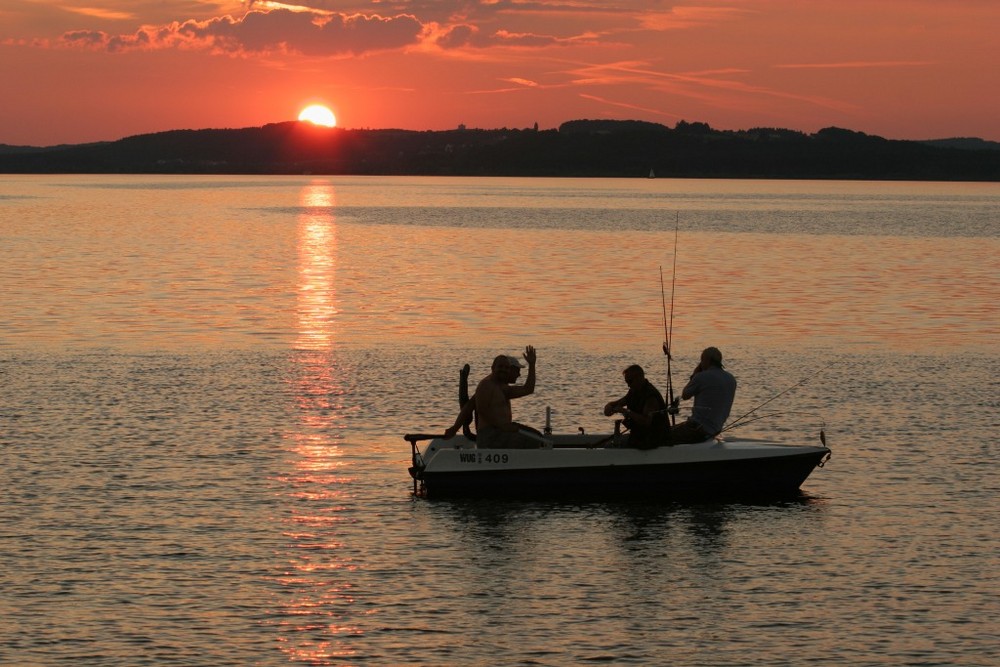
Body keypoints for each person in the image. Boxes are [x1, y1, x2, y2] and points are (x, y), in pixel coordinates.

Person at [443, 345, 540, 448]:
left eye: (506, 368)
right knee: (534, 442)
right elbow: (482, 410)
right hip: (491, 436)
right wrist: (503, 426)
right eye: (500, 367)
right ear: (493, 368)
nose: (504, 370)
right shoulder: (486, 385)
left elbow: (528, 389)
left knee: (537, 437)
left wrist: (532, 364)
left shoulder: (502, 387)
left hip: (501, 432)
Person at [666, 346, 737, 444]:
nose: (700, 364)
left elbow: (685, 395)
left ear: (707, 360)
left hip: (697, 430)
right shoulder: (731, 379)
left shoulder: (701, 377)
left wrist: (694, 375)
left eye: (701, 360)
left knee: (662, 434)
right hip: (715, 430)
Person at [603, 364, 668, 449]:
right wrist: (609, 406)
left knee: (609, 447)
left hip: (652, 440)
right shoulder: (634, 391)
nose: (628, 385)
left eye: (630, 381)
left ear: (639, 378)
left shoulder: (651, 396)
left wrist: (626, 411)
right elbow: (619, 402)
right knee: (610, 444)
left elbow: (646, 421)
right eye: (626, 382)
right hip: (640, 437)